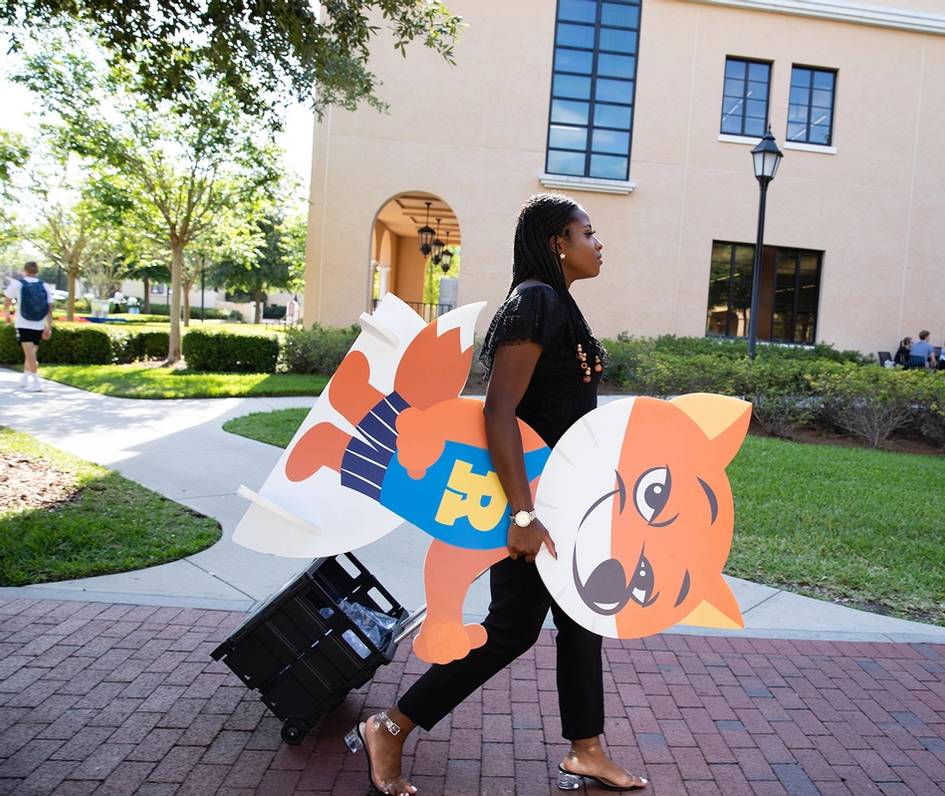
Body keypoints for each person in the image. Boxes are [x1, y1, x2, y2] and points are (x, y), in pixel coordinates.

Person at [346, 194, 648, 794]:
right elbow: (499, 410)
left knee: (573, 620)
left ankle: (585, 748)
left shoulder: (557, 304)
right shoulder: (535, 300)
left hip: (565, 499)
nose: (599, 242)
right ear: (558, 240)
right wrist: (523, 513)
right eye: (588, 232)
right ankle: (390, 725)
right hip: (535, 501)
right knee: (513, 629)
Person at [3, 261, 54, 391]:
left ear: (24, 270)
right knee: (32, 352)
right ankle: (25, 377)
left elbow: (7, 301)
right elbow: (49, 308)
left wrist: (7, 315)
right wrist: (48, 326)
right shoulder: (44, 286)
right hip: (39, 323)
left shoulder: (18, 284)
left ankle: (36, 382)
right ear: (37, 271)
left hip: (23, 322)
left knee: (30, 353)